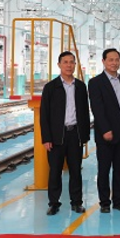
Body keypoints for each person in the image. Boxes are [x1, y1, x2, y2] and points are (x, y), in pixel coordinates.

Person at [40, 51, 91, 216]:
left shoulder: (81, 87)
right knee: (55, 171)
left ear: (75, 65)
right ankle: (53, 203)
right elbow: (44, 115)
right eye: (65, 62)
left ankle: (76, 202)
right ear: (59, 65)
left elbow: (84, 112)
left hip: (75, 135)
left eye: (71, 62)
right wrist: (46, 138)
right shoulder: (51, 87)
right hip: (56, 137)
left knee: (76, 171)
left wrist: (84, 136)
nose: (69, 65)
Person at [88, 48, 120, 213]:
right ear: (103, 61)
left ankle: (119, 201)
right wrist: (105, 129)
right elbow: (97, 109)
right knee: (104, 169)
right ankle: (105, 203)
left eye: (117, 60)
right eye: (111, 60)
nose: (114, 63)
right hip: (106, 132)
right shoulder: (95, 83)